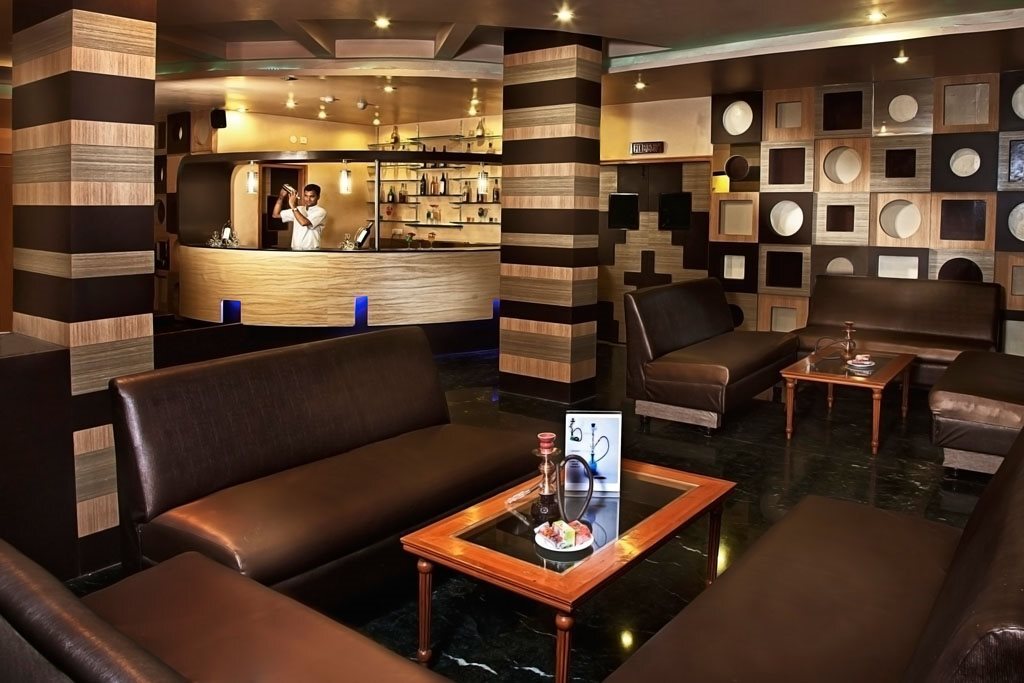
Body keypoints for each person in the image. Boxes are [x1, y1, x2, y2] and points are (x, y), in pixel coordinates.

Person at [273, 183, 326, 250]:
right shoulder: (298, 209)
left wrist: (293, 205)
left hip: (312, 250)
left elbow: (304, 222)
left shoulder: (321, 211)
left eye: (312, 196)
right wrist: (281, 197)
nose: (308, 199)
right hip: (295, 249)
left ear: (318, 197)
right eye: (306, 196)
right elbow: (275, 215)